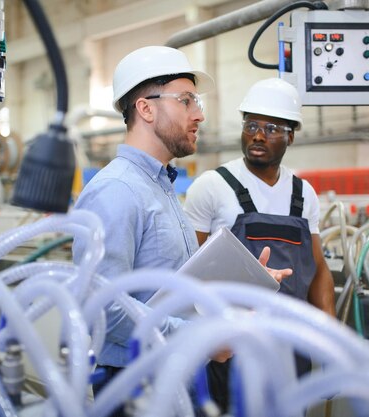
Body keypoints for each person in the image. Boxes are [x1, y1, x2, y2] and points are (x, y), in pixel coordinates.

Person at [73, 46, 289, 415]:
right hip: (136, 388)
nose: (199, 114)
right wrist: (202, 339)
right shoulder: (117, 190)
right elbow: (103, 309)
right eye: (187, 100)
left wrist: (242, 283)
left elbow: (169, 289)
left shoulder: (160, 185)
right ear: (146, 108)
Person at [183, 77, 336, 411]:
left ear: (290, 135)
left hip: (289, 345)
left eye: (271, 128)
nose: (257, 135)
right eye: (251, 125)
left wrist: (330, 337)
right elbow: (186, 270)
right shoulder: (212, 186)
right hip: (229, 347)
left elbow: (319, 269)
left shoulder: (303, 193)